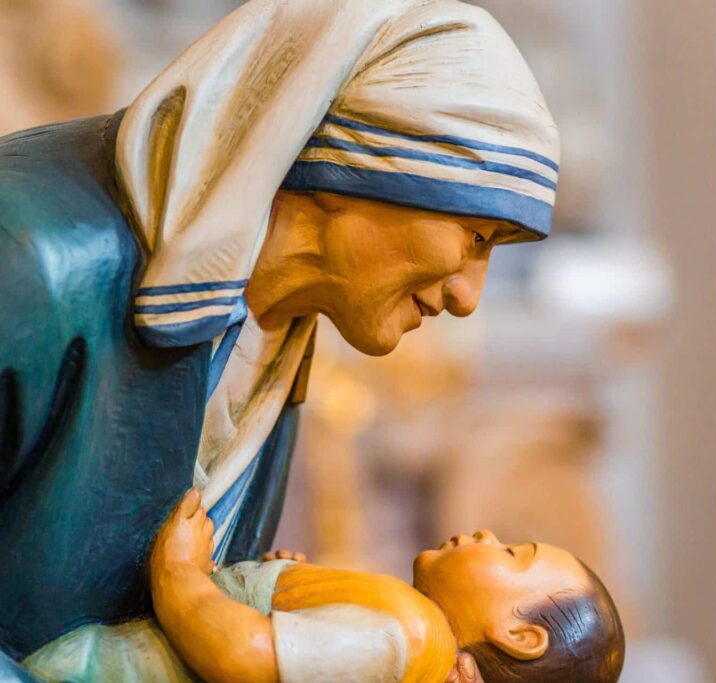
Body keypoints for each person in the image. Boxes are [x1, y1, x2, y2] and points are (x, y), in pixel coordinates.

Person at [0, 0, 558, 676]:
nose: (466, 297)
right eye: (476, 237)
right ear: (352, 161)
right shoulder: (34, 262)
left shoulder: (274, 346)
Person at [23, 490, 625, 683]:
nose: (491, 534)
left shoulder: (410, 637)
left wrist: (178, 573)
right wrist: (286, 584)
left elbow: (245, 655)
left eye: (515, 553)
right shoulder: (406, 634)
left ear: (519, 635)